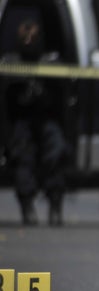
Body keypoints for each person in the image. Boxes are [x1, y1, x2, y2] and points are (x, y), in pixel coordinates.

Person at [5, 18, 69, 226]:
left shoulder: (50, 61)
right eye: (25, 36)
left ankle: (55, 205)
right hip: (22, 118)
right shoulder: (12, 62)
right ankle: (27, 206)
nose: (29, 40)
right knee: (23, 159)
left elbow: (62, 92)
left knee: (56, 154)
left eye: (33, 36)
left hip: (47, 117)